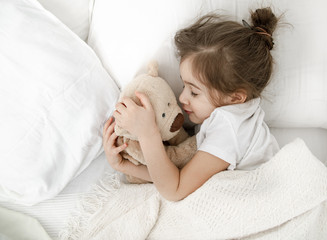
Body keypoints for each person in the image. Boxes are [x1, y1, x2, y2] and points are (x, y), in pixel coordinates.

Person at [103, 7, 280, 201]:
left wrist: (148, 134)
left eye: (194, 92)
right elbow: (178, 176)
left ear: (236, 98)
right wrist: (124, 166)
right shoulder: (235, 117)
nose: (182, 98)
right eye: (184, 85)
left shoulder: (229, 128)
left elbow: (174, 190)